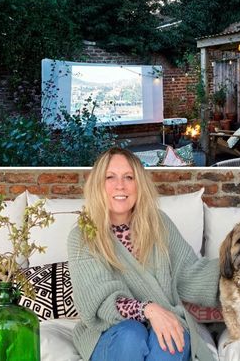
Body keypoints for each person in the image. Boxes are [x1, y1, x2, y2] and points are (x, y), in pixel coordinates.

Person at [68, 147, 219, 361]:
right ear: (98, 185)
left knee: (167, 340)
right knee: (132, 334)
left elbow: (190, 273)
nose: (120, 185)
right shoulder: (83, 236)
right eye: (110, 177)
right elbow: (99, 300)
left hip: (165, 325)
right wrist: (149, 310)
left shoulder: (159, 224)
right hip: (110, 332)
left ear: (139, 184)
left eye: (129, 177)